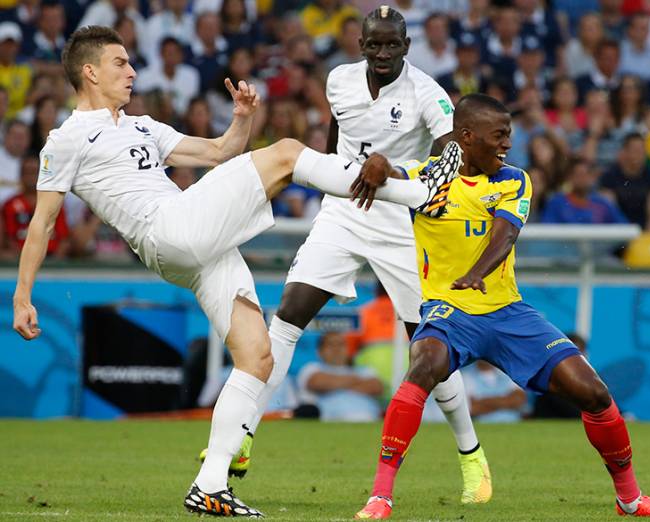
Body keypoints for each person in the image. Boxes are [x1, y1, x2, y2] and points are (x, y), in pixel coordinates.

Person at [11, 25, 458, 518]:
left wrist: (242, 118)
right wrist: (21, 296)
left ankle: (209, 484)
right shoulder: (67, 138)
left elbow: (220, 152)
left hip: (196, 246)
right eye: (120, 63)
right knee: (287, 153)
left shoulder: (142, 126)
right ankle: (421, 193)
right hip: (170, 230)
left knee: (257, 357)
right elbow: (44, 220)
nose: (132, 71)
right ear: (90, 72)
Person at [352, 93, 650, 519]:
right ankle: (380, 497)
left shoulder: (514, 179)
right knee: (423, 365)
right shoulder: (428, 178)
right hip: (449, 310)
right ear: (466, 136)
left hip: (507, 311)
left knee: (594, 392)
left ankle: (631, 499)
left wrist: (478, 271)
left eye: (509, 134)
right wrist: (378, 163)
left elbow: (505, 234)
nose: (507, 143)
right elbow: (392, 171)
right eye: (499, 135)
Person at [213, 6, 494, 507]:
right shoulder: (339, 80)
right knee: (289, 317)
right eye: (374, 45)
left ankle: (471, 456)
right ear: (359, 45)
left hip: (400, 223)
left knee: (428, 346)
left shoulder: (428, 93)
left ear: (407, 45)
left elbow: (452, 153)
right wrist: (331, 183)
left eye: (392, 45)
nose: (382, 53)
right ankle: (243, 437)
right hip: (343, 212)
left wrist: (397, 172)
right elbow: (335, 141)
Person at [296, 332, 384, 422]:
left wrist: (335, 384)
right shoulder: (312, 368)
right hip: (330, 423)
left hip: (368, 420)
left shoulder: (365, 369)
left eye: (341, 344)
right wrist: (357, 381)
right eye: (331, 345)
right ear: (319, 351)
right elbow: (318, 383)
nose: (336, 349)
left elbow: (376, 387)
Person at [1, 156, 69, 259]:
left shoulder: (55, 202)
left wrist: (54, 264)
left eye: (34, 172)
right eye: (27, 172)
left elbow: (64, 239)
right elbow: (8, 239)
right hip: (21, 260)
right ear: (21, 176)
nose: (31, 177)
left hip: (51, 259)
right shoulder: (10, 205)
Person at [541, 159, 628, 224]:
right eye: (578, 175)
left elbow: (624, 228)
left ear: (592, 178)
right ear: (569, 177)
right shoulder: (557, 203)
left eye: (585, 174)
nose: (582, 179)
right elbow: (547, 230)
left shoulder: (602, 203)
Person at [461, 360, 527, 423]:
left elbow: (519, 400)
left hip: (514, 426)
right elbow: (471, 408)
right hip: (483, 429)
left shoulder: (508, 372)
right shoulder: (466, 376)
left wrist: (483, 402)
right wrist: (507, 400)